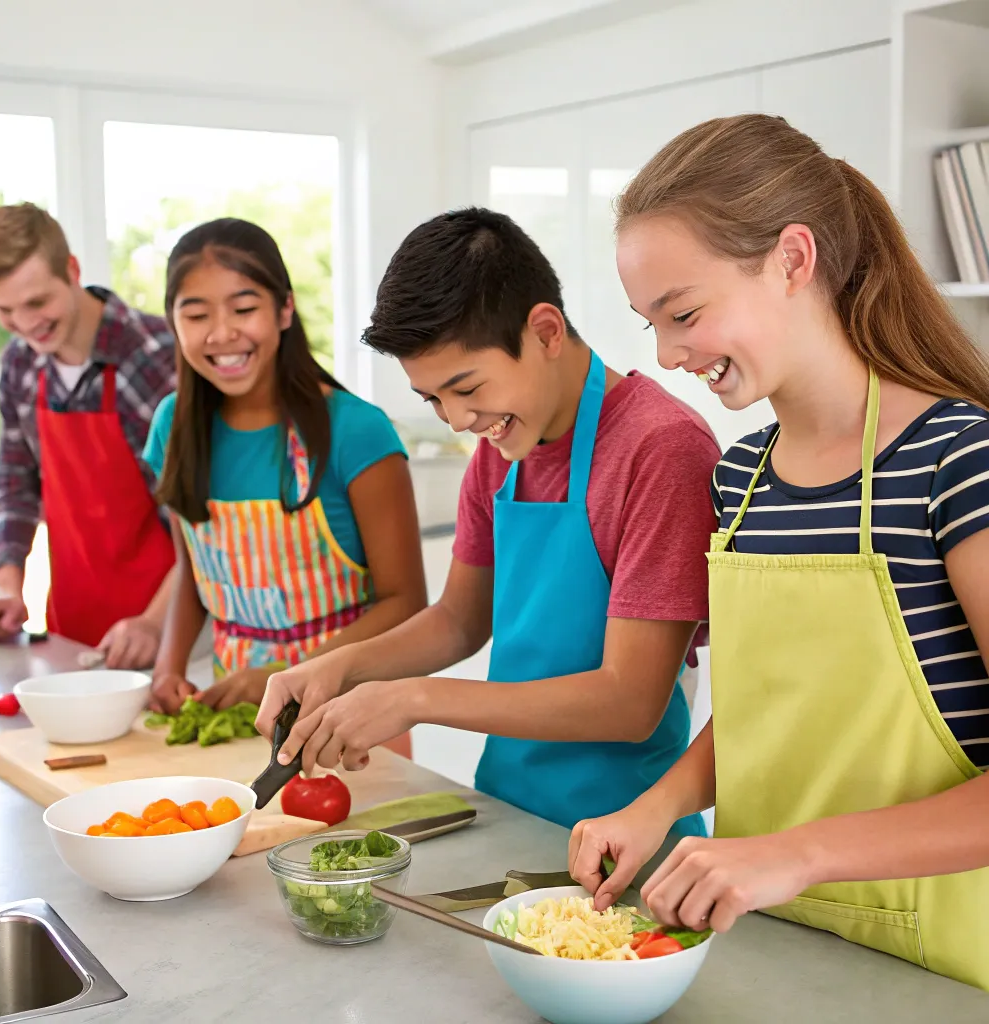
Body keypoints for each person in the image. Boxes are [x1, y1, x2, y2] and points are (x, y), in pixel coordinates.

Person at [567, 114, 989, 991]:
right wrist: (662, 806)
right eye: (650, 324)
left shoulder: (959, 462)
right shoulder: (741, 481)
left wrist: (794, 855)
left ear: (793, 259)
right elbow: (782, 709)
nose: (669, 354)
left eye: (683, 313)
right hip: (773, 939)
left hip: (941, 963)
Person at [256, 207, 720, 832]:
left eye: (467, 388)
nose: (456, 419)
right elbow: (458, 620)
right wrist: (336, 667)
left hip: (629, 836)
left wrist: (415, 698)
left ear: (546, 332)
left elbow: (630, 701)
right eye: (433, 399)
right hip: (507, 813)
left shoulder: (662, 449)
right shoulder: (500, 451)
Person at [144, 218, 426, 764]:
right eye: (197, 314)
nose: (221, 333)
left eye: (244, 309)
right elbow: (193, 574)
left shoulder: (354, 430)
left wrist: (282, 675)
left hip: (353, 721)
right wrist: (168, 666)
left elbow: (407, 604)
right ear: (173, 323)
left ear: (285, 310)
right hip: (239, 722)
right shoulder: (172, 426)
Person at [0, 203, 176, 668]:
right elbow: (15, 483)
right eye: (5, 310)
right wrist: (9, 587)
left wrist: (155, 622)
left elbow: (203, 515)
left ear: (72, 270)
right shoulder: (21, 363)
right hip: (74, 635)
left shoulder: (153, 356)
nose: (25, 324)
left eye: (37, 302)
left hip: (174, 636)